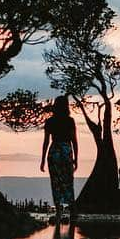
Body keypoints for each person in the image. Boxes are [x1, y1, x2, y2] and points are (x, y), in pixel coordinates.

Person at [40, 94, 79, 223]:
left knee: (56, 182)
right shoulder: (70, 121)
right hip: (66, 151)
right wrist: (76, 158)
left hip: (54, 152)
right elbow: (74, 141)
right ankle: (72, 211)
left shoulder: (50, 121)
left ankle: (58, 212)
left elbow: (46, 141)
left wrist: (42, 159)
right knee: (68, 181)